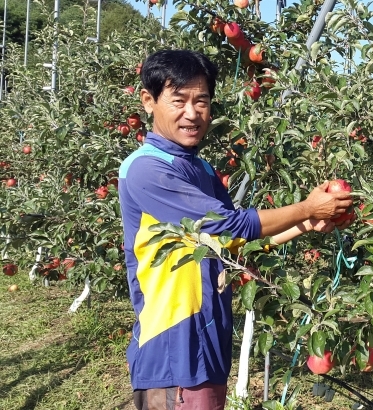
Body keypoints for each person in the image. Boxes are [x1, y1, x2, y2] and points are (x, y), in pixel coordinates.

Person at [117, 49, 354, 410]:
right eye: (179, 100)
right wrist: (305, 207)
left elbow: (233, 250)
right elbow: (227, 226)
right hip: (173, 348)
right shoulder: (146, 170)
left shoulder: (202, 169)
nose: (192, 113)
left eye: (202, 101)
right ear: (148, 102)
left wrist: (305, 223)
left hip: (208, 336)